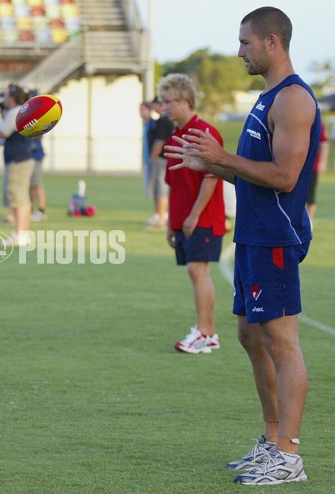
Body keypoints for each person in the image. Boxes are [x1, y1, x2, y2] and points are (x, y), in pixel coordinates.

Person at [165, 7, 320, 485]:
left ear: (272, 42)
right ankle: (272, 438)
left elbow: (285, 176)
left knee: (281, 341)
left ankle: (289, 454)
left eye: (245, 43)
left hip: (275, 236)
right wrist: (208, 165)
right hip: (251, 234)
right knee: (250, 337)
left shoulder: (293, 99)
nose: (239, 52)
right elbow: (251, 171)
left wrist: (222, 156)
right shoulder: (267, 97)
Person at [159, 73, 226, 355]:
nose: (164, 108)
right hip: (183, 220)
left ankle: (205, 332)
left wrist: (194, 216)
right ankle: (207, 334)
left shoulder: (205, 132)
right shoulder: (174, 135)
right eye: (163, 102)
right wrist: (171, 224)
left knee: (197, 270)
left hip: (203, 218)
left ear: (186, 100)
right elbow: (174, 184)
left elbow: (212, 177)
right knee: (196, 272)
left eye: (169, 102)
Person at [0, 83, 35, 246]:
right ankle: (23, 233)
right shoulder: (23, 111)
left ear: (12, 99)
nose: (4, 99)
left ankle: (19, 234)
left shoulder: (14, 112)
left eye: (6, 96)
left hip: (17, 159)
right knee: (23, 197)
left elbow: (2, 132)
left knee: (17, 196)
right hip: (25, 157)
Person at [146, 96, 174, 228]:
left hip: (162, 160)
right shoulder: (161, 120)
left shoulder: (164, 120)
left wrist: (153, 158)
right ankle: (159, 214)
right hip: (163, 159)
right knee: (158, 188)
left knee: (161, 188)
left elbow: (159, 142)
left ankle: (162, 217)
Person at [306, 120, 329, 223]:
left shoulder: (317, 122)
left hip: (311, 166)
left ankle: (309, 222)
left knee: (311, 195)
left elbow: (324, 143)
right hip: (295, 166)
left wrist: (323, 162)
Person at [30, 137, 47, 221]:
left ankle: (41, 211)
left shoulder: (35, 124)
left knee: (37, 185)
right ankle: (30, 211)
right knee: (30, 186)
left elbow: (37, 135)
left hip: (36, 156)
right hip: (27, 157)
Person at [139, 101, 154, 195]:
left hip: (152, 161)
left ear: (149, 110)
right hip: (146, 161)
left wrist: (152, 159)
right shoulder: (145, 125)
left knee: (154, 190)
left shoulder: (153, 124)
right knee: (148, 189)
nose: (140, 112)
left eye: (143, 110)